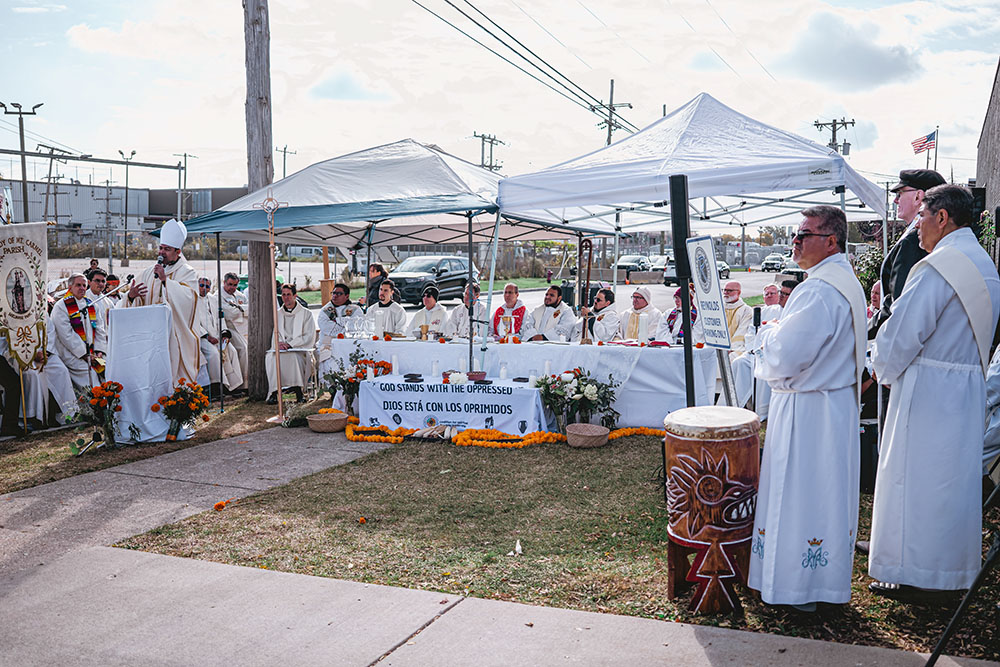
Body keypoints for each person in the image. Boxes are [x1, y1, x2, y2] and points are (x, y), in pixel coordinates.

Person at [868, 184, 1000, 600]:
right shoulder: (983, 264)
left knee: (918, 481)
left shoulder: (938, 267)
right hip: (964, 388)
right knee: (951, 483)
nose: (916, 227)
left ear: (943, 218)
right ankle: (948, 571)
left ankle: (919, 575)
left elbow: (903, 333)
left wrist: (880, 366)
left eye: (921, 217)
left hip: (928, 391)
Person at [749, 205, 866, 611]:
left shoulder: (817, 290)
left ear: (831, 240)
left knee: (798, 494)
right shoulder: (842, 281)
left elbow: (785, 355)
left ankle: (795, 588)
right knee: (824, 495)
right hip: (830, 405)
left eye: (804, 235)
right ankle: (820, 582)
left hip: (807, 410)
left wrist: (768, 332)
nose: (795, 242)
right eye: (795, 235)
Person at [119, 219, 200, 384]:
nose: (162, 252)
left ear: (178, 252)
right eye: (161, 248)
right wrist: (131, 296)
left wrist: (166, 282)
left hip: (173, 334)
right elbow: (133, 302)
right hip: (150, 334)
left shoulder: (187, 272)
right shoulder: (148, 273)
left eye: (167, 249)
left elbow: (189, 301)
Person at [868, 169, 946, 338]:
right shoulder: (925, 237)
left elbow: (897, 304)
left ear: (918, 197)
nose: (895, 200)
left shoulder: (913, 241)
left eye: (900, 193)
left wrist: (866, 333)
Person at [51, 273, 108, 389]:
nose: (82, 288)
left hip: (93, 352)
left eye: (84, 285)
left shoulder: (91, 305)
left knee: (109, 370)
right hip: (71, 353)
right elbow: (66, 335)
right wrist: (85, 354)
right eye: (78, 285)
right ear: (70, 287)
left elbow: (100, 329)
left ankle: (109, 404)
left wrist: (99, 350)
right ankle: (93, 405)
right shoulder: (61, 306)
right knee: (90, 375)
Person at [265, 284, 316, 404]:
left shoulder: (306, 314)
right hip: (282, 349)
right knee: (272, 357)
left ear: (295, 296)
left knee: (293, 357)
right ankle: (274, 392)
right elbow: (275, 334)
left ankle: (299, 392)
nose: (286, 297)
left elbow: (309, 336)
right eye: (283, 295)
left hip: (299, 349)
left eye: (289, 294)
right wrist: (278, 344)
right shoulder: (278, 314)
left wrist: (290, 344)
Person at [195, 277, 242, 395]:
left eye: (207, 286)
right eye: (201, 285)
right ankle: (216, 386)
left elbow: (220, 317)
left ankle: (234, 385)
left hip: (218, 336)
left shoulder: (213, 299)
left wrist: (224, 334)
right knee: (214, 354)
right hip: (203, 338)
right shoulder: (193, 299)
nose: (204, 289)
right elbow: (193, 321)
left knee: (232, 351)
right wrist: (207, 336)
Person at [219, 272, 249, 392]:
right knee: (243, 349)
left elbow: (249, 308)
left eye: (235, 285)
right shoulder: (218, 296)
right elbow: (229, 314)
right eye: (230, 284)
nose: (232, 288)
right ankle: (242, 384)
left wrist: (239, 309)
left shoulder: (240, 295)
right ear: (224, 282)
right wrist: (242, 310)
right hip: (229, 328)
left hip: (244, 326)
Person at [723, 280, 753, 357]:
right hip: (719, 346)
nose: (726, 293)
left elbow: (742, 331)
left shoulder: (746, 310)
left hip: (736, 347)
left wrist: (731, 348)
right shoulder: (719, 308)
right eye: (724, 290)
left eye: (729, 290)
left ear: (738, 293)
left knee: (732, 358)